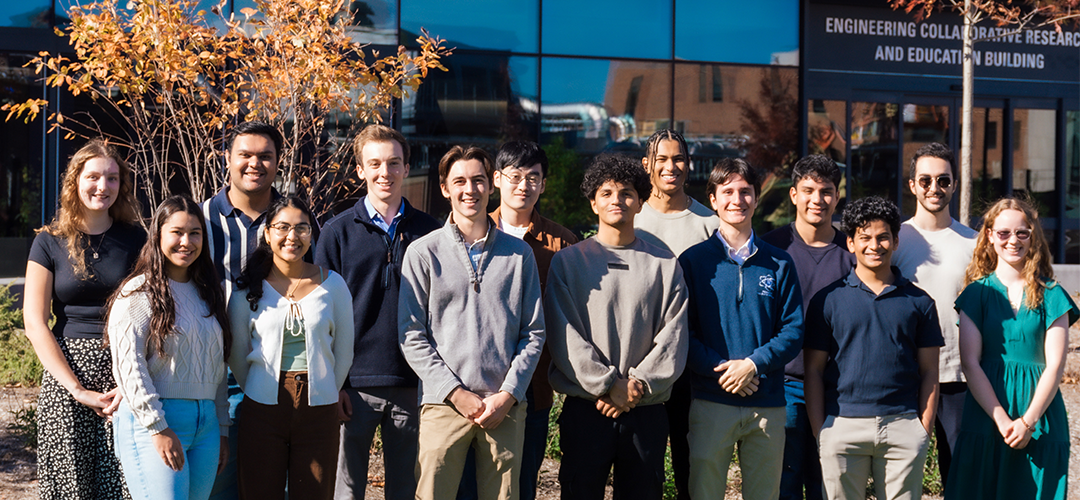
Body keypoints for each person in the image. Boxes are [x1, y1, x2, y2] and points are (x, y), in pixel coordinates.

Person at [399, 146, 545, 500]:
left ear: (490, 186)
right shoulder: (422, 252)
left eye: (478, 180)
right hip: (442, 404)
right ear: (445, 188)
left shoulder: (519, 254)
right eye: (460, 181)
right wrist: (456, 393)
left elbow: (534, 333)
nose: (470, 190)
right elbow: (411, 335)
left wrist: (508, 395)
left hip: (504, 407)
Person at [545, 154, 689, 500]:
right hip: (586, 409)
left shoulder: (664, 265)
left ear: (641, 202)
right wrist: (608, 385)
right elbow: (563, 334)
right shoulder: (568, 262)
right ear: (593, 202)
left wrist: (636, 385)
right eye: (606, 192)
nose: (617, 200)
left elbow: (675, 336)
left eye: (626, 192)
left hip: (646, 410)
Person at [316, 124, 441, 500]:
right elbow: (320, 315)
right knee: (346, 490)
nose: (384, 172)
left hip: (413, 383)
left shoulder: (430, 232)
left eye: (393, 163)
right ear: (360, 170)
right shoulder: (336, 233)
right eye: (375, 164)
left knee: (404, 489)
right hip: (353, 385)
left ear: (406, 168)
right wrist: (333, 384)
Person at [456, 140, 578, 500]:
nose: (523, 185)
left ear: (543, 184)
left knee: (520, 487)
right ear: (496, 179)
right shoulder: (465, 233)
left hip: (532, 390)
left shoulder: (561, 244)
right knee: (465, 489)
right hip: (469, 391)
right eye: (514, 176)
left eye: (533, 178)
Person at [23, 138, 144, 500]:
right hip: (66, 378)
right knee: (69, 488)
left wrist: (131, 381)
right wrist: (75, 388)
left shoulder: (137, 240)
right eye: (93, 177)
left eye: (112, 178)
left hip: (123, 377)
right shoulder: (48, 242)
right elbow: (33, 320)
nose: (102, 187)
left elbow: (153, 315)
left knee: (124, 485)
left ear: (121, 185)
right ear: (75, 181)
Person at [679, 158, 804, 500]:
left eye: (745, 191)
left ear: (756, 198)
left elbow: (793, 329)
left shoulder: (779, 262)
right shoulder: (693, 261)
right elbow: (682, 332)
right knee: (704, 493)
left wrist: (752, 365)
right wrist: (723, 371)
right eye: (728, 191)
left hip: (767, 403)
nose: (737, 199)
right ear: (713, 199)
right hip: (710, 399)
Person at [804, 196, 943, 500]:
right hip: (842, 427)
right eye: (864, 238)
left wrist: (923, 428)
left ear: (895, 241)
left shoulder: (920, 303)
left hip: (903, 427)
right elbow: (813, 370)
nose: (874, 245)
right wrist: (821, 432)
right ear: (850, 243)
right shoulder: (827, 300)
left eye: (883, 237)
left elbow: (931, 370)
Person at [945, 198, 1078, 500]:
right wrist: (1004, 422)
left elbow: (1055, 365)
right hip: (987, 412)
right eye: (1004, 233)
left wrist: (1028, 422)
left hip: (1040, 415)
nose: (1013, 241)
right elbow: (970, 363)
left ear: (1033, 237)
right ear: (990, 235)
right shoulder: (976, 294)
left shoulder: (1052, 295)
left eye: (1022, 232)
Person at [106, 195, 232, 500]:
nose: (186, 242)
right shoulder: (138, 292)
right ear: (158, 235)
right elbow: (130, 367)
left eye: (195, 233)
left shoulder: (208, 292)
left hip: (207, 428)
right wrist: (158, 428)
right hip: (157, 422)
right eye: (176, 232)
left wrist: (222, 428)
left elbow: (216, 365)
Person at [228, 197, 354, 499]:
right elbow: (237, 353)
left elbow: (345, 350)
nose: (292, 236)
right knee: (259, 491)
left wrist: (325, 387)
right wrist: (259, 386)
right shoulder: (247, 289)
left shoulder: (332, 285)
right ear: (267, 233)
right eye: (282, 227)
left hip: (319, 407)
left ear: (311, 234)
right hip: (262, 404)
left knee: (314, 491)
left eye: (301, 228)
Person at [633, 129, 719, 500]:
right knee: (641, 467)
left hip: (692, 364)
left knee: (691, 467)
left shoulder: (710, 224)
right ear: (646, 165)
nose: (671, 167)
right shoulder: (630, 218)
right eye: (662, 159)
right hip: (638, 363)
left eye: (679, 158)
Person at [761, 154, 853, 500]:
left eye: (827, 191)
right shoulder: (769, 249)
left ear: (837, 195)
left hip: (838, 389)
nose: (818, 200)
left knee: (828, 484)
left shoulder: (853, 252)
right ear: (794, 195)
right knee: (781, 482)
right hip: (780, 384)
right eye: (809, 190)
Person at [202, 120, 284, 500]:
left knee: (274, 482)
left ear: (277, 162)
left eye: (265, 156)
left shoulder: (294, 221)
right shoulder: (199, 221)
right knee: (219, 482)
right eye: (245, 155)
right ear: (227, 159)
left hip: (279, 370)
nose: (255, 164)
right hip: (213, 371)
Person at [892, 143, 976, 488]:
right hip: (905, 372)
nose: (934, 188)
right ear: (912, 185)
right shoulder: (894, 239)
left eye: (943, 180)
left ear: (954, 184)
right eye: (925, 180)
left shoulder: (974, 242)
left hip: (959, 374)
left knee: (958, 474)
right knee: (899, 472)